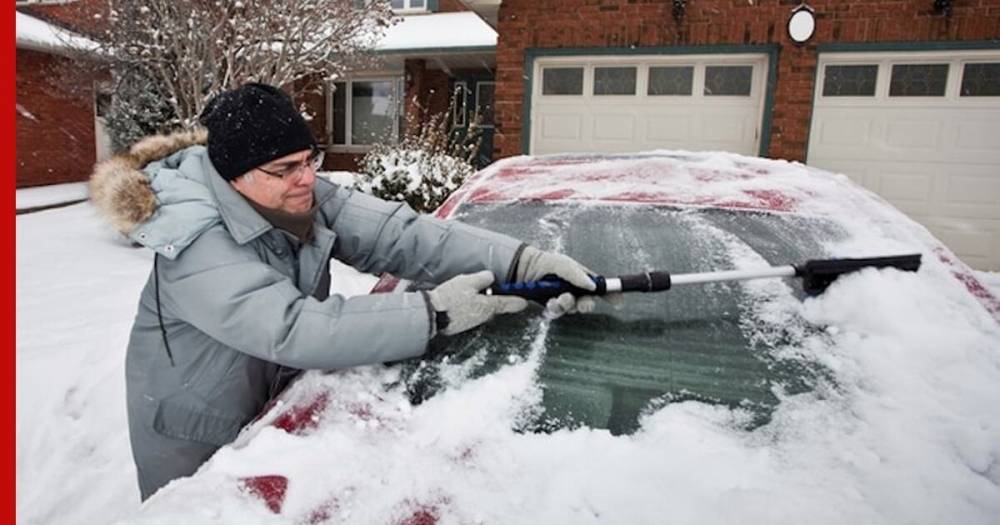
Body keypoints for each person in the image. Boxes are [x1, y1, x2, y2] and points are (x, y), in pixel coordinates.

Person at [90, 83, 617, 500]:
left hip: (270, 401)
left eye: (310, 159)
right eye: (286, 169)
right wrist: (434, 313)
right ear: (232, 178)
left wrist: (522, 260)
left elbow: (402, 236)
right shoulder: (193, 240)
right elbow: (291, 328)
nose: (307, 179)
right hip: (194, 427)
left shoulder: (298, 193)